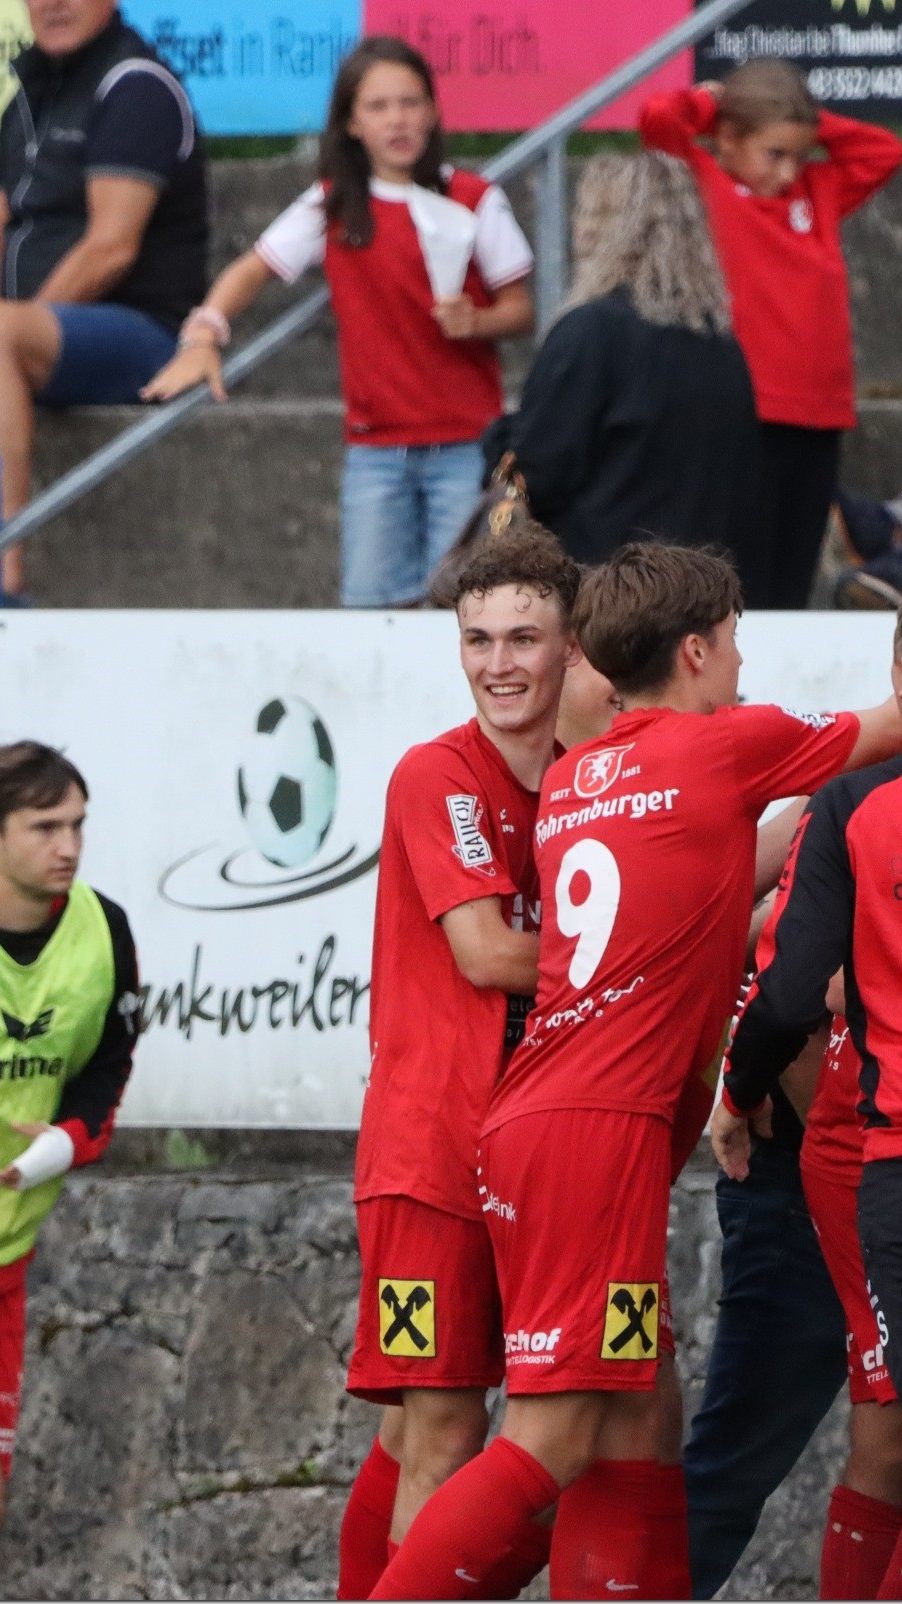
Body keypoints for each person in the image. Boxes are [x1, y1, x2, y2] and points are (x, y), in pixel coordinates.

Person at [368, 540, 902, 1602]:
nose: (742, 666)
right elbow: (884, 730)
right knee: (547, 1433)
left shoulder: (580, 775)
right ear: (697, 649)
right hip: (595, 1129)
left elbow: (696, 875)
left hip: (545, 1117)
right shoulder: (720, 750)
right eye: (736, 643)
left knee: (639, 1423)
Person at [338, 524, 581, 1599]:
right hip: (431, 1159)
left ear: (573, 646)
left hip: (540, 1155)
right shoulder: (436, 773)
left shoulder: (589, 779)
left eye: (523, 635)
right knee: (439, 1424)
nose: (497, 662)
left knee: (559, 1432)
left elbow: (692, 868)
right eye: (477, 637)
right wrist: (644, 948)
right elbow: (486, 950)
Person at [142, 35, 534, 610]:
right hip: (375, 452)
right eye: (377, 107)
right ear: (351, 123)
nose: (397, 120)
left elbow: (521, 308)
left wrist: (475, 321)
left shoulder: (475, 196)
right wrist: (204, 332)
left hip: (466, 445)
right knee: (370, 612)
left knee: (473, 611)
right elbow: (250, 271)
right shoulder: (331, 205)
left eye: (410, 102)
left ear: (431, 110)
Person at [640, 60, 902, 610]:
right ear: (728, 140)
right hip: (748, 416)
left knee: (792, 576)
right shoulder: (709, 184)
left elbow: (885, 149)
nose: (788, 171)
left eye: (799, 155)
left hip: (820, 416)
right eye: (774, 154)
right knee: (740, 575)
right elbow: (656, 120)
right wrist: (717, 107)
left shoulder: (817, 191)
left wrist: (799, 122)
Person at [0, 0, 209, 601]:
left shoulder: (136, 85)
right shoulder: (28, 93)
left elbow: (110, 249)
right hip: (37, 332)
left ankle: (6, 580)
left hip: (146, 335)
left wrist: (21, 327)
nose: (53, 4)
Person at [500, 152, 760, 583]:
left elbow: (539, 470)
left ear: (600, 227)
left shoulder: (590, 330)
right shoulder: (720, 343)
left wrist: (499, 442)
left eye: (587, 211)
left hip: (605, 592)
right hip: (698, 590)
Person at [0, 740, 140, 1526]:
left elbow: (108, 1065)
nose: (69, 847)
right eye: (45, 827)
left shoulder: (104, 929)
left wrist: (64, 1142)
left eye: (78, 826)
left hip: (6, 1260)